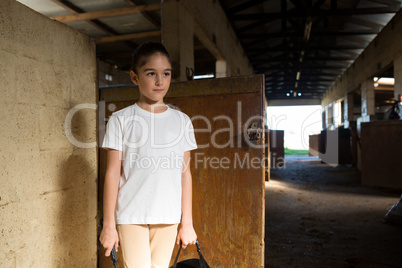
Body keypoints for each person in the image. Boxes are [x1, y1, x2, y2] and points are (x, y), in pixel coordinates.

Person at [99, 42, 198, 268]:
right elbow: (112, 173)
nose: (160, 81)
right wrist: (109, 225)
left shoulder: (182, 121)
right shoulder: (121, 119)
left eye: (166, 74)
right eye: (151, 73)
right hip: (131, 214)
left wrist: (187, 223)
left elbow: (185, 175)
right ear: (135, 77)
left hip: (168, 216)